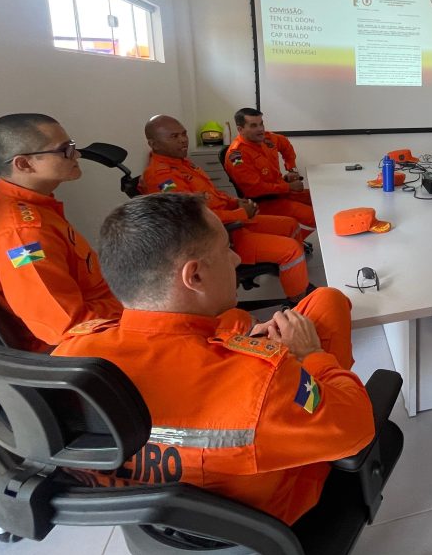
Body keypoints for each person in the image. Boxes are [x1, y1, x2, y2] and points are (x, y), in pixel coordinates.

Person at [53, 193, 374, 525]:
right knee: (327, 316)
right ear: (194, 277)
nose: (235, 258)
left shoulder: (70, 353)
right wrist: (311, 356)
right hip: (262, 511)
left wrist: (238, 340)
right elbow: (357, 431)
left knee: (323, 299)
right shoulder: (262, 380)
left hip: (153, 507)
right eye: (225, 249)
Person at [0, 113, 123, 352]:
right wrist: (139, 310)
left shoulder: (30, 205)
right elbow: (67, 325)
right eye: (65, 150)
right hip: (84, 344)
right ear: (24, 164)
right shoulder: (22, 236)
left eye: (72, 147)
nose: (77, 155)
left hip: (106, 306)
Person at [140, 115, 310, 301]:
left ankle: (295, 277)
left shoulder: (183, 163)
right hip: (219, 238)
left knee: (290, 225)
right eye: (174, 137)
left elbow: (213, 195)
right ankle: (299, 301)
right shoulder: (161, 176)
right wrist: (240, 213)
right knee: (291, 249)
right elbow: (195, 218)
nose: (183, 140)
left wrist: (235, 202)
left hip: (232, 222)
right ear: (154, 144)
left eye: (184, 134)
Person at [223, 107, 315, 236]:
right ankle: (290, 242)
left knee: (318, 199)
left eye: (261, 124)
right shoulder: (237, 156)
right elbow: (255, 189)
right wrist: (288, 187)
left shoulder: (266, 138)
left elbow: (285, 146)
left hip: (281, 191)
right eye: (253, 125)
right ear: (240, 129)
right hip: (264, 202)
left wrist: (291, 169)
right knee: (313, 216)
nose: (260, 129)